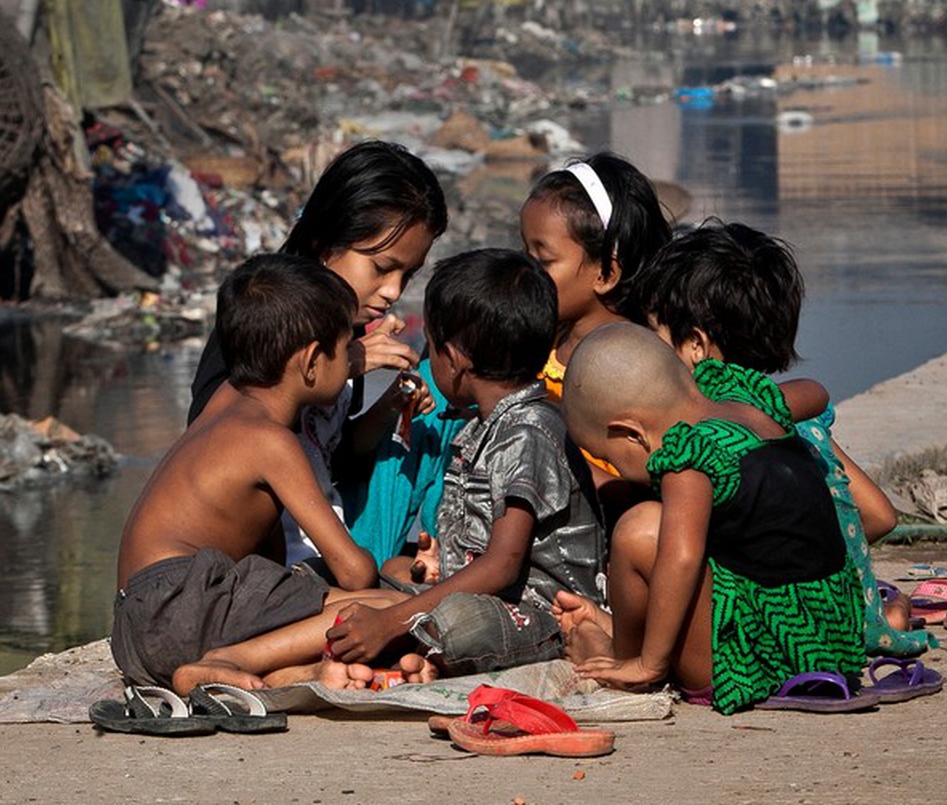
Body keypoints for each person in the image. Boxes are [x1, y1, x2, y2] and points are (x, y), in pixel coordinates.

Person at [629, 219, 931, 657]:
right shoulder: (803, 427)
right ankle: (878, 617)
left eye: (653, 334)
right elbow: (881, 516)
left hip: (766, 638)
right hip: (838, 623)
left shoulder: (699, 442)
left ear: (695, 344)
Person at [113, 254, 407, 694]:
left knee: (363, 603)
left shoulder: (227, 400)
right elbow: (354, 573)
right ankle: (231, 660)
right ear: (311, 362)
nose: (351, 362)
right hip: (183, 609)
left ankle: (275, 674)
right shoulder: (270, 440)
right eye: (346, 349)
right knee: (392, 608)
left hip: (137, 625)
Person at [555, 323, 867, 712]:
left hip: (756, 662)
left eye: (611, 459)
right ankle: (617, 634)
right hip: (832, 638)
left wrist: (650, 664)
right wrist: (769, 405)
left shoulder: (689, 456)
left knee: (640, 530)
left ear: (632, 434)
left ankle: (626, 660)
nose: (618, 470)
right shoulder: (748, 400)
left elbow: (683, 559)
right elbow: (816, 393)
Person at [324, 249, 603, 677]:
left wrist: (393, 622)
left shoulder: (527, 431)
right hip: (490, 597)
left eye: (431, 347)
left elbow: (502, 565)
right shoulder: (482, 424)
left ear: (454, 360)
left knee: (456, 621)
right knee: (390, 573)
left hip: (541, 614)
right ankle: (404, 654)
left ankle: (399, 652)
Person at [186, 139, 452, 568]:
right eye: (382, 268)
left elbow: (330, 458)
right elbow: (216, 441)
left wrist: (388, 407)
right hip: (253, 559)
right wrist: (347, 362)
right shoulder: (262, 316)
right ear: (324, 242)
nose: (393, 291)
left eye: (408, 275)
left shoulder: (349, 325)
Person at [521, 152, 672, 396]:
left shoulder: (636, 367)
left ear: (605, 274)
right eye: (526, 254)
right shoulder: (535, 343)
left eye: (544, 261)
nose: (525, 270)